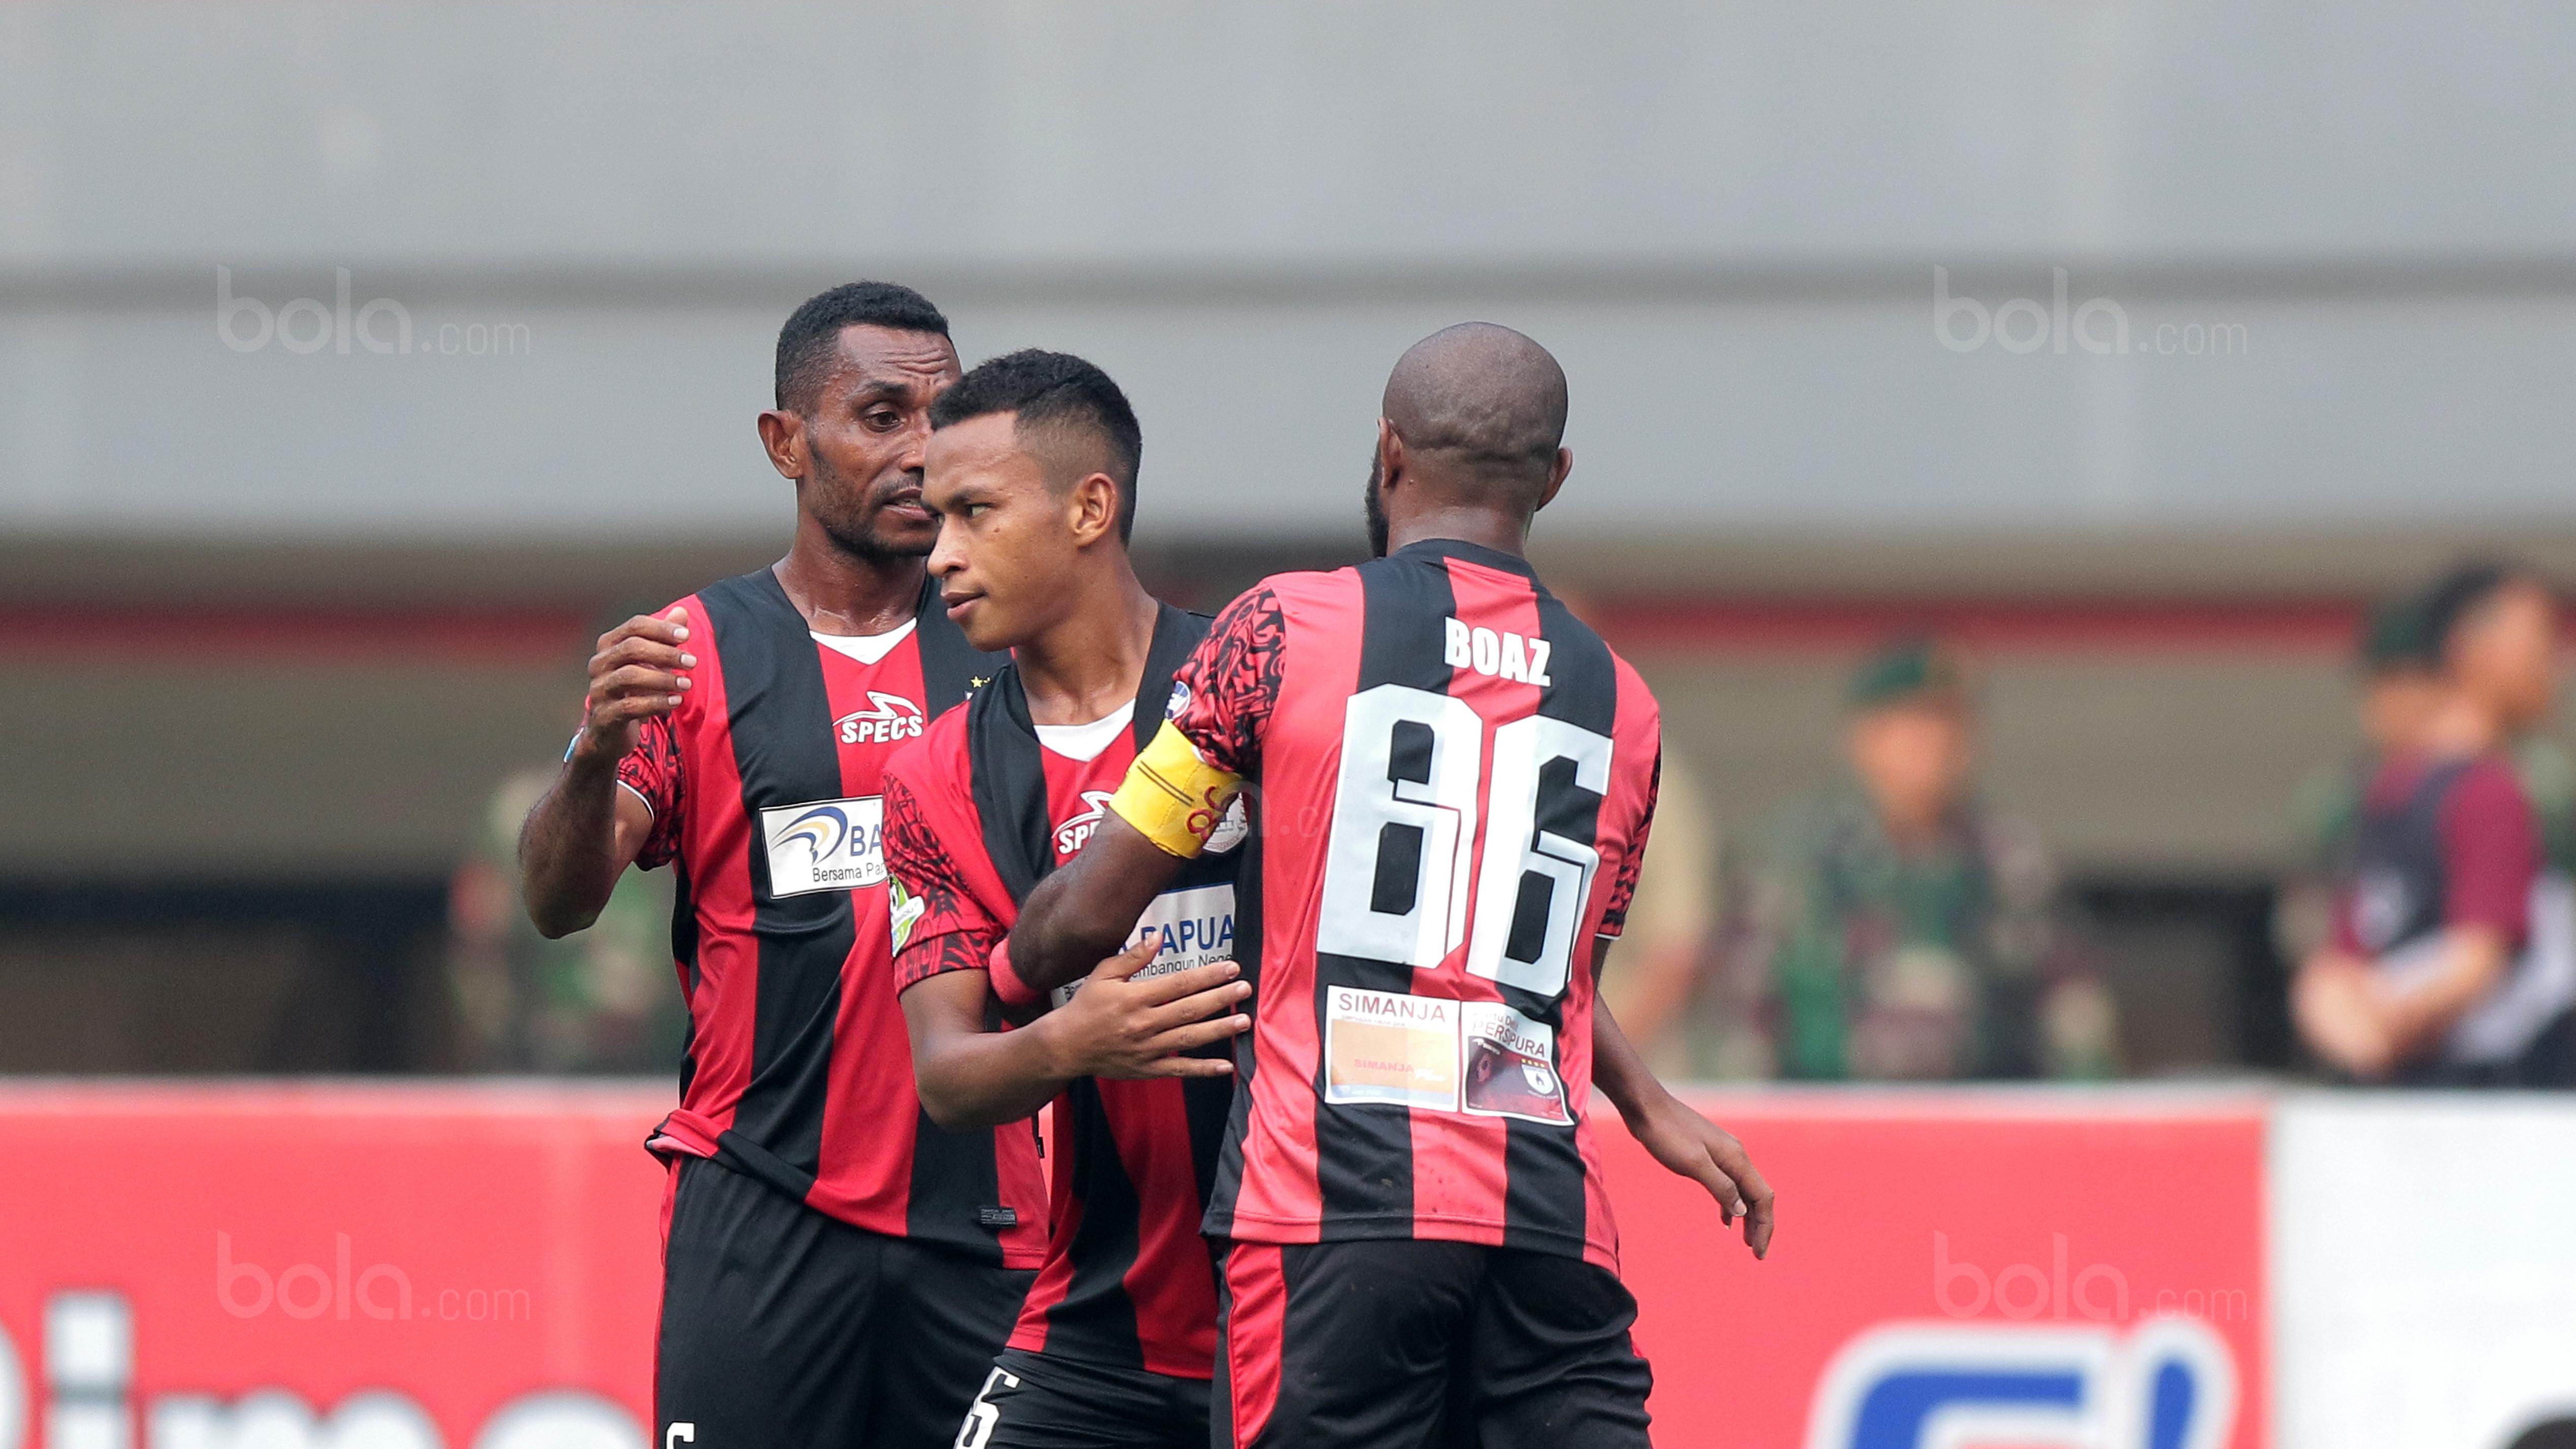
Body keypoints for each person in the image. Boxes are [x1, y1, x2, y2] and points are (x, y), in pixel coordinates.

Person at [1009, 323, 1774, 1449]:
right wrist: (1646, 1098)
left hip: (1331, 1209)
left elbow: (1086, 914)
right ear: (1554, 478)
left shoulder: (1276, 629)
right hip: (1545, 1223)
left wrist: (1006, 956)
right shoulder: (1625, 702)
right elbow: (1550, 983)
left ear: (1387, 452)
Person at [516, 282, 1043, 1447]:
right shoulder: (695, 651)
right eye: (881, 417)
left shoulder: (1015, 648)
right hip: (761, 1209)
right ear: (785, 442)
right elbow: (557, 899)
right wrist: (595, 755)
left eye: (942, 416)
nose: (921, 451)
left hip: (990, 1219)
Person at [879, 349, 1256, 1448]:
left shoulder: (1256, 688)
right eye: (934, 519)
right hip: (1094, 1325)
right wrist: (1071, 1042)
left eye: (974, 512)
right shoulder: (933, 773)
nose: (939, 554)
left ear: (1090, 507)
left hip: (1299, 1305)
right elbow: (946, 1075)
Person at [1712, 639, 2116, 1081]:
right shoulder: (1797, 862)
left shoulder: (2012, 863)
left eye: (1950, 726)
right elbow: (1741, 1019)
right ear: (1864, 739)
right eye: (1913, 727)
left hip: (1979, 1111)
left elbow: (2073, 1013)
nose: (1933, 745)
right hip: (1832, 1112)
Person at [2296, 562, 2576, 1084]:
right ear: (2471, 645)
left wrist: (2365, 1023)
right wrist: (2368, 1021)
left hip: (2423, 1088)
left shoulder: (2389, 789)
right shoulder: (2487, 790)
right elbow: (2476, 958)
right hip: (2497, 1091)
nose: (2553, 665)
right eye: (2537, 640)